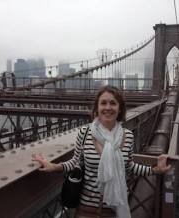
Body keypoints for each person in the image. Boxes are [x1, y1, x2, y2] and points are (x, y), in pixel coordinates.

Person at [32, 85, 171, 218]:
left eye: (113, 103)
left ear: (120, 108)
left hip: (113, 210)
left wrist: (155, 170)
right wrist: (54, 166)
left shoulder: (127, 136)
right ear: (97, 108)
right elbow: (75, 162)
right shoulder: (85, 133)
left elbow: (129, 167)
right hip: (86, 210)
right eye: (103, 103)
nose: (108, 108)